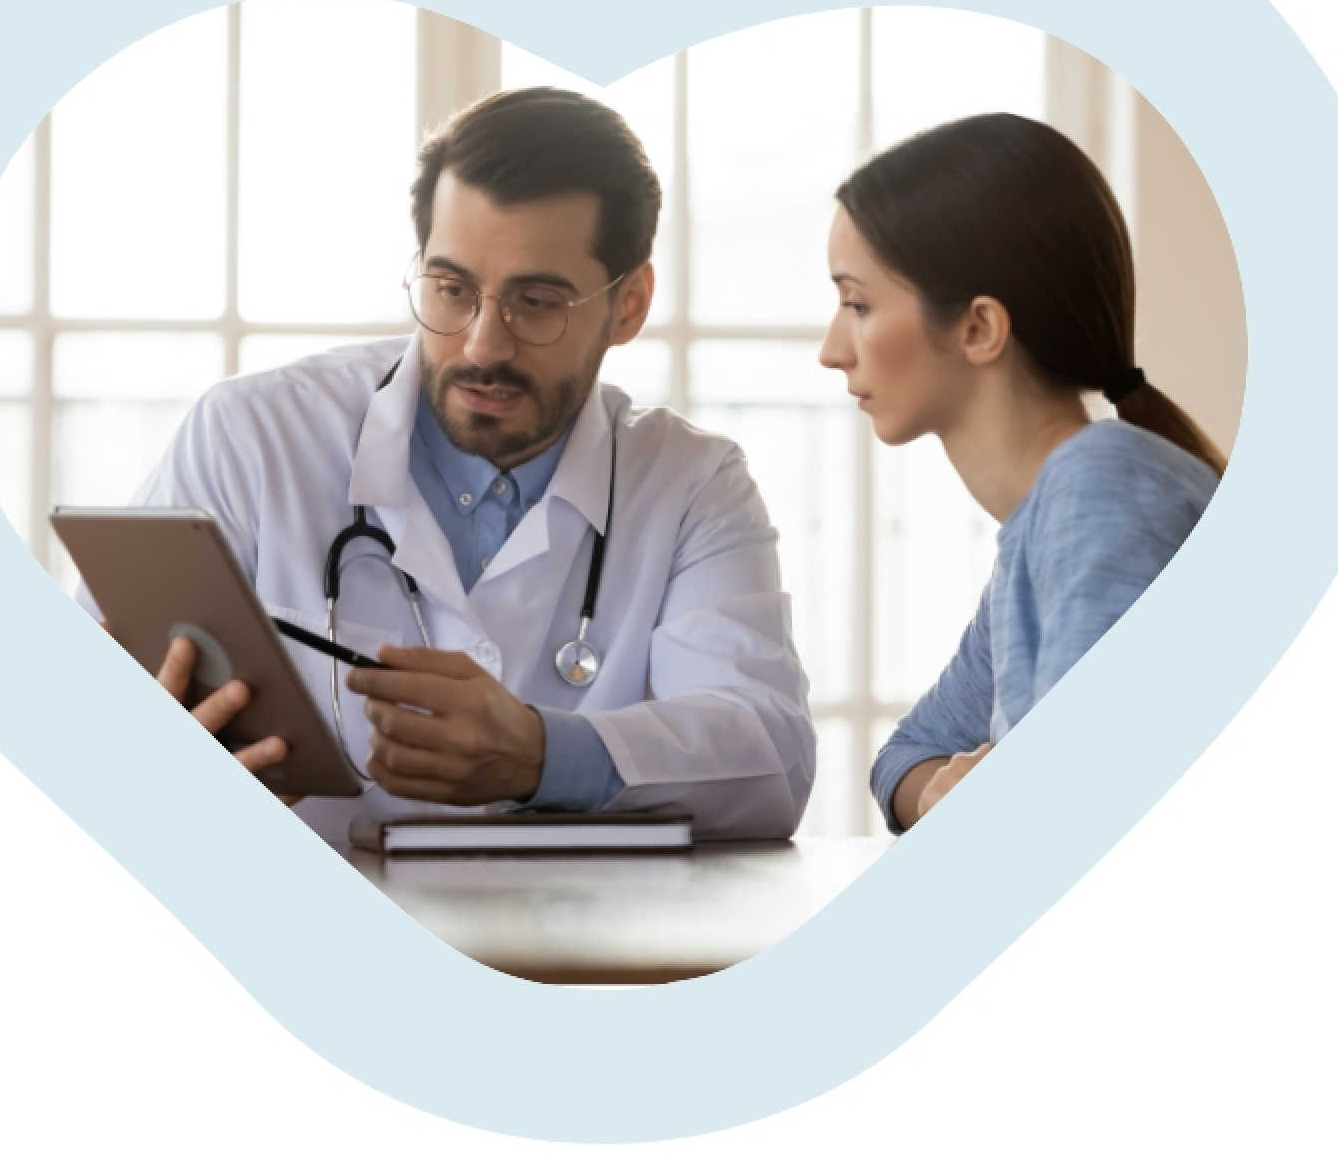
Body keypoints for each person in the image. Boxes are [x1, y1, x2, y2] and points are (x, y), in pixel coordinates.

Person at [85, 87, 815, 852]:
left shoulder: (693, 483)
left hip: (571, 953)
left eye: (537, 302)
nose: (481, 346)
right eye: (452, 289)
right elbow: (82, 714)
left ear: (629, 304)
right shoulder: (249, 436)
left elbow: (770, 761)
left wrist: (538, 754)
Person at [818, 113, 1226, 833]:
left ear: (978, 329)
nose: (831, 349)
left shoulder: (1102, 489)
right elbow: (903, 758)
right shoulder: (1042, 526)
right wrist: (952, 794)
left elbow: (1076, 811)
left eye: (857, 304)